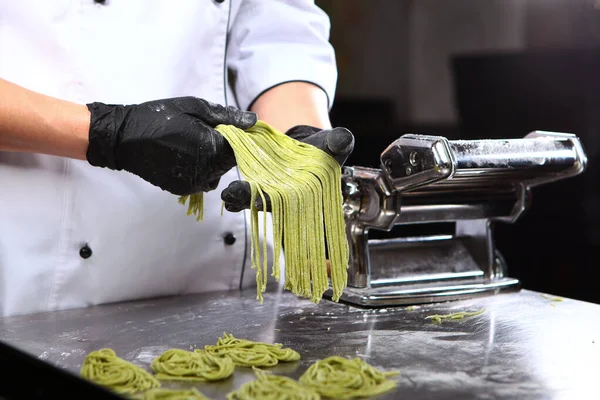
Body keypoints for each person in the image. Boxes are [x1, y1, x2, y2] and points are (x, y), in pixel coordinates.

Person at [0, 0, 354, 317]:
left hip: (224, 287)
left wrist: (293, 138)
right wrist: (108, 132)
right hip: (43, 280)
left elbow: (280, 36)